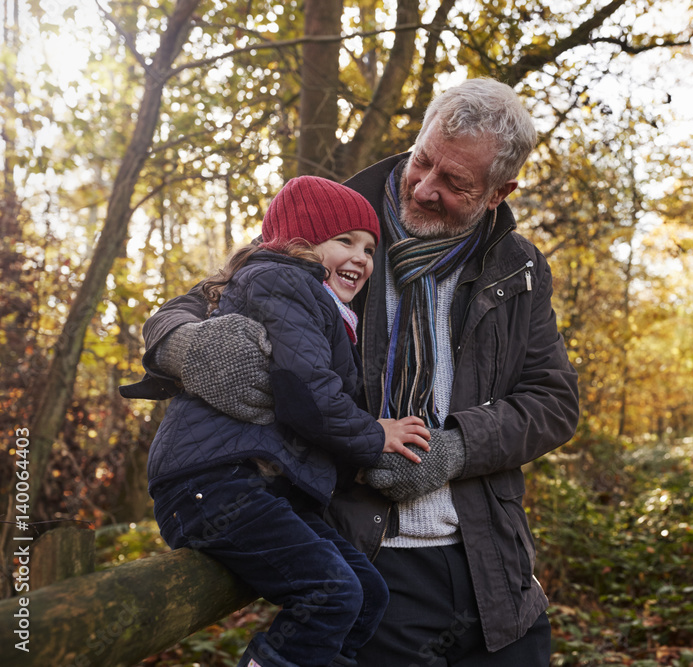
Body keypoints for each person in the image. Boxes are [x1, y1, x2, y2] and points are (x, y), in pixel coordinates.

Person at [123, 78, 580, 665]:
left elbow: (554, 400)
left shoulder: (518, 268)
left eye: (455, 183)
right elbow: (197, 302)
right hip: (370, 552)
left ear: (498, 193)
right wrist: (186, 348)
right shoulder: (333, 219)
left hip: (493, 568)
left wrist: (455, 448)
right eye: (423, 161)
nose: (425, 188)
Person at [142, 176, 430, 667]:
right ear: (301, 242)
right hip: (211, 484)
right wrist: (374, 435)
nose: (361, 257)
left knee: (367, 593)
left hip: (260, 488)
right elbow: (307, 393)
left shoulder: (325, 307)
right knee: (332, 593)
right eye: (345, 241)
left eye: (368, 248)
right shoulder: (284, 282)